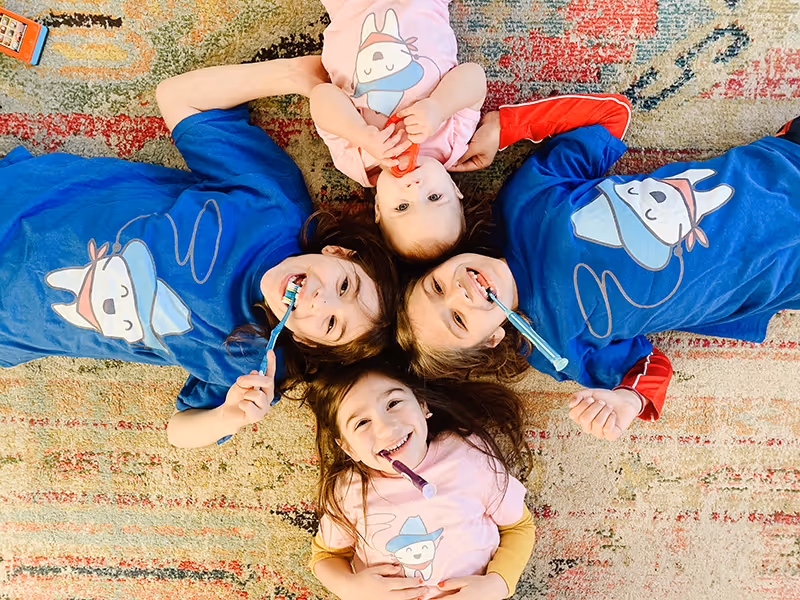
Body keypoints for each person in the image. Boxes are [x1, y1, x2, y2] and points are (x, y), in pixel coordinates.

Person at [0, 57, 398, 449]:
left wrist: (229, 415)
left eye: (330, 324)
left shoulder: (256, 365)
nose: (319, 300)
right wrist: (299, 76)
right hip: (21, 203)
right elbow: (178, 98)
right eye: (344, 285)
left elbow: (179, 430)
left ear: (308, 343)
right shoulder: (274, 206)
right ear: (339, 252)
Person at [398, 93, 800, 441]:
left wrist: (505, 127)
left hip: (780, 168)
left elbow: (612, 116)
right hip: (786, 274)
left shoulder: (524, 204)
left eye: (436, 286)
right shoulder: (555, 349)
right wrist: (627, 399)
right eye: (458, 319)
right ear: (490, 339)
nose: (460, 293)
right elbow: (649, 366)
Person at [306, 357, 535, 600]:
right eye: (362, 422)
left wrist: (498, 584)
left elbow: (519, 526)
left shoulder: (469, 457)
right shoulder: (349, 492)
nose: (386, 428)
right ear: (349, 449)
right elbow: (325, 556)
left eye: (393, 403)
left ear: (422, 405)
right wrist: (350, 588)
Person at [305, 0, 487, 260]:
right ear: (454, 190)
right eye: (434, 197)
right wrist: (438, 107)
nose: (415, 187)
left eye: (402, 206)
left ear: (378, 208)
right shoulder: (453, 143)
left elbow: (321, 97)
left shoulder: (359, 163)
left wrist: (360, 133)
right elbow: (475, 78)